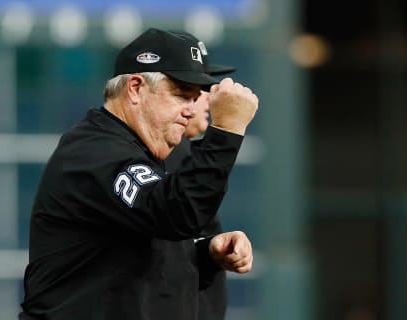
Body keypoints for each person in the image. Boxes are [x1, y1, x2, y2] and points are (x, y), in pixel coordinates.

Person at [19, 28, 258, 320]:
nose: (191, 109)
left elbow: (147, 251)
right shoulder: (95, 152)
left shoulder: (148, 152)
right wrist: (225, 132)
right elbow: (176, 213)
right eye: (182, 95)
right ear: (135, 88)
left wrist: (206, 252)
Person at [164, 32, 238, 320]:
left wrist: (211, 249)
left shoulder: (182, 153)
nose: (209, 96)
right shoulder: (159, 155)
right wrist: (227, 129)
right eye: (200, 87)